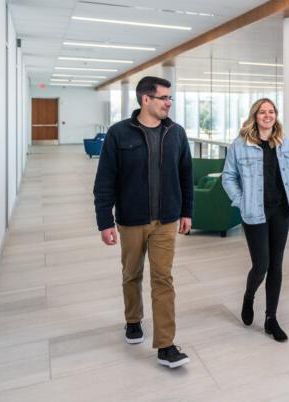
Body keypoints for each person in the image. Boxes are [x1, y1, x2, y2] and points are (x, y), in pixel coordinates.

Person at [93, 76, 193, 369]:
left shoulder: (176, 133)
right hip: (131, 220)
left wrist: (187, 211)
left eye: (170, 98)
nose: (168, 103)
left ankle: (166, 344)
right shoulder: (118, 133)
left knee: (163, 279)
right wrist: (104, 221)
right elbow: (105, 181)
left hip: (166, 220)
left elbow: (185, 174)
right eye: (163, 97)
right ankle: (133, 320)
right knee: (131, 274)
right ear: (145, 99)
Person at [222, 98, 289, 342]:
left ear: (276, 116)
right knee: (261, 265)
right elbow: (228, 177)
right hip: (254, 214)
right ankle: (249, 296)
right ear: (255, 116)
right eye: (262, 112)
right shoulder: (240, 145)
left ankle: (271, 319)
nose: (267, 115)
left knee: (276, 266)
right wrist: (241, 201)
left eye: (271, 111)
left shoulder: (285, 145)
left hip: (281, 212)